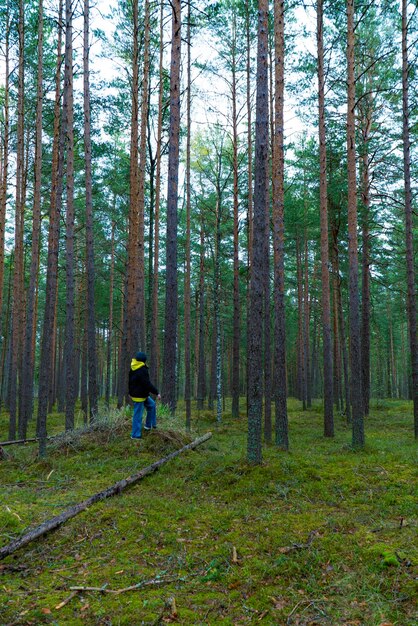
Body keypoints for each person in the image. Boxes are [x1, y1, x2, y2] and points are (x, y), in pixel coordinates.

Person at [128, 351, 161, 439]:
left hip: (142, 394)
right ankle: (135, 435)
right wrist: (157, 392)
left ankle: (149, 425)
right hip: (139, 396)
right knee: (138, 415)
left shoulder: (133, 367)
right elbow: (147, 384)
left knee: (152, 405)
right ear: (144, 361)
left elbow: (130, 382)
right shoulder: (142, 369)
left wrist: (130, 393)